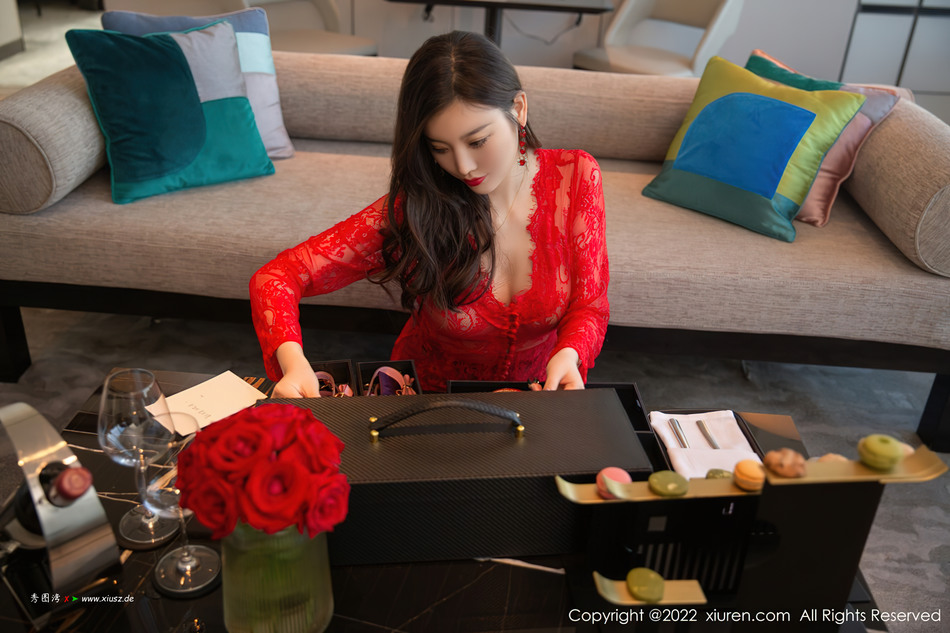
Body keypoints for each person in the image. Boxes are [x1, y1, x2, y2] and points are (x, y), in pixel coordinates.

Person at [250, 31, 609, 397]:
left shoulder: (576, 176)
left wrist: (570, 352)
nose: (463, 166)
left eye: (477, 141)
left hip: (538, 398)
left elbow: (590, 306)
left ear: (518, 108)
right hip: (428, 399)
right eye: (440, 148)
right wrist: (294, 363)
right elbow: (277, 277)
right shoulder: (419, 205)